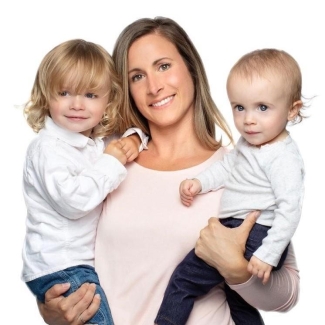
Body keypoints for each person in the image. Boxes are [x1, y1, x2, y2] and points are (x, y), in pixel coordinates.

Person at [36, 17, 300, 325]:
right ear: (126, 89)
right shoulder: (106, 157)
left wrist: (237, 270)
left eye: (163, 66)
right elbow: (57, 240)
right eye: (137, 76)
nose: (154, 86)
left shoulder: (243, 167)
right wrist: (52, 308)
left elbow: (288, 292)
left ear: (191, 67)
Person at [155, 48, 306, 324]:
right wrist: (199, 183)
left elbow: (290, 209)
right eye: (240, 107)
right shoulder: (249, 144)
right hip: (241, 231)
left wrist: (268, 253)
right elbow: (226, 168)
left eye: (262, 108)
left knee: (184, 280)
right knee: (238, 298)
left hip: (259, 234)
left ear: (292, 110)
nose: (248, 119)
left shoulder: (282, 157)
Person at [21, 39, 148, 325]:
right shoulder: (48, 148)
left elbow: (133, 137)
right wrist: (112, 161)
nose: (77, 105)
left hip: (77, 265)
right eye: (64, 92)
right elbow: (74, 202)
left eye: (90, 95)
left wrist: (133, 139)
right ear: (46, 95)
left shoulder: (89, 144)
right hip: (62, 266)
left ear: (108, 101)